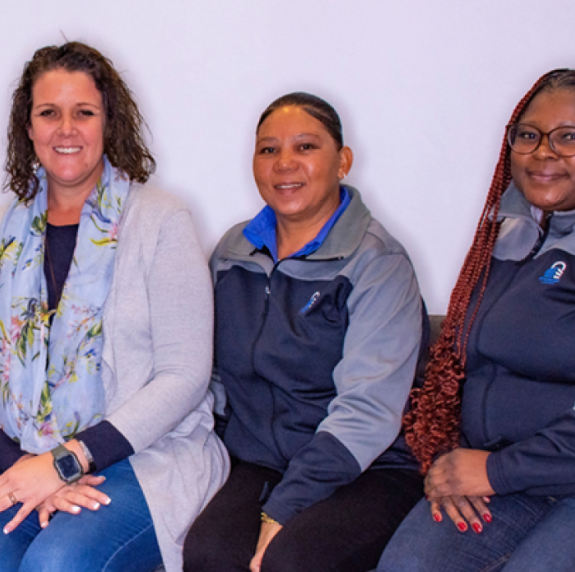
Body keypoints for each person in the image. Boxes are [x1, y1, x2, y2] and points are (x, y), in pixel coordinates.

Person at [0, 41, 228, 572]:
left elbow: (185, 375)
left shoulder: (162, 222)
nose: (65, 129)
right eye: (49, 113)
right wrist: (23, 465)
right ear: (28, 127)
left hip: (139, 456)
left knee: (57, 564)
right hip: (11, 452)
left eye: (84, 113)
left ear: (108, 122)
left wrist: (65, 462)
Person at [378, 65, 575, 571]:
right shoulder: (505, 234)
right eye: (529, 136)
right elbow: (460, 368)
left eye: (569, 137)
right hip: (499, 476)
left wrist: (499, 470)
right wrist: (450, 460)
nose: (543, 152)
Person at [182, 93, 427, 572]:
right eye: (268, 149)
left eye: (306, 147)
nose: (284, 163)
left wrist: (284, 507)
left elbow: (369, 411)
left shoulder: (378, 263)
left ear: (343, 161)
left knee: (291, 562)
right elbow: (209, 375)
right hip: (259, 460)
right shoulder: (232, 252)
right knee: (209, 554)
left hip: (366, 468)